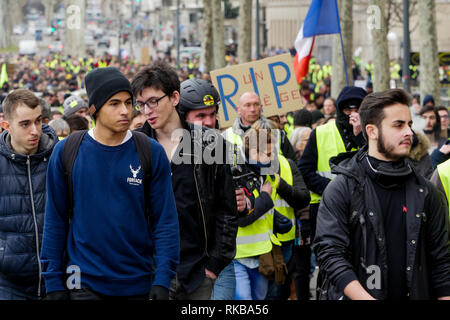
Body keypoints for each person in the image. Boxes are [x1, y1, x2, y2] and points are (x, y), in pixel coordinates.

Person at [40, 67, 180, 300]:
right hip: (82, 283)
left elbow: (165, 220)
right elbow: (55, 220)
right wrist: (53, 282)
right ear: (95, 109)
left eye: (128, 102)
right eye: (114, 104)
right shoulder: (66, 152)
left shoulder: (150, 152)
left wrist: (164, 278)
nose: (125, 111)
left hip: (139, 282)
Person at [314, 88, 450, 300]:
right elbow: (331, 254)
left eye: (410, 125)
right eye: (398, 125)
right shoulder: (342, 189)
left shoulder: (425, 191)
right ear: (372, 131)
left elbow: (441, 262)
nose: (409, 133)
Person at [131, 61, 238, 300]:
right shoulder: (133, 146)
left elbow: (227, 209)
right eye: (141, 104)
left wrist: (215, 264)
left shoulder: (211, 143)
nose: (147, 110)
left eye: (153, 101)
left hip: (197, 273)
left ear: (175, 97)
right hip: (149, 272)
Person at [232, 120, 309, 300]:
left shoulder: (282, 165)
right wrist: (265, 198)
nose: (269, 157)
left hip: (276, 243)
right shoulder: (238, 172)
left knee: (273, 294)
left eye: (270, 151)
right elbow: (243, 216)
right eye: (263, 152)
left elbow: (302, 198)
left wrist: (280, 185)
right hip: (243, 252)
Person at [0, 89, 58, 299]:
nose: (35, 130)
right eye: (25, 124)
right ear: (6, 126)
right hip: (9, 284)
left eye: (38, 121)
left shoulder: (60, 157)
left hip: (58, 279)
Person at [298, 86, 367, 243]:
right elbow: (304, 170)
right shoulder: (321, 133)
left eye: (358, 109)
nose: (353, 114)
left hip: (363, 209)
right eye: (348, 110)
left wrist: (361, 137)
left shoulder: (371, 133)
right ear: (340, 109)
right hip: (326, 206)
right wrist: (332, 189)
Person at [223, 92, 297, 164]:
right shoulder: (226, 136)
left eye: (256, 104)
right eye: (247, 105)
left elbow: (292, 165)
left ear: (261, 107)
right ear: (238, 109)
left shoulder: (278, 133)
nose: (252, 109)